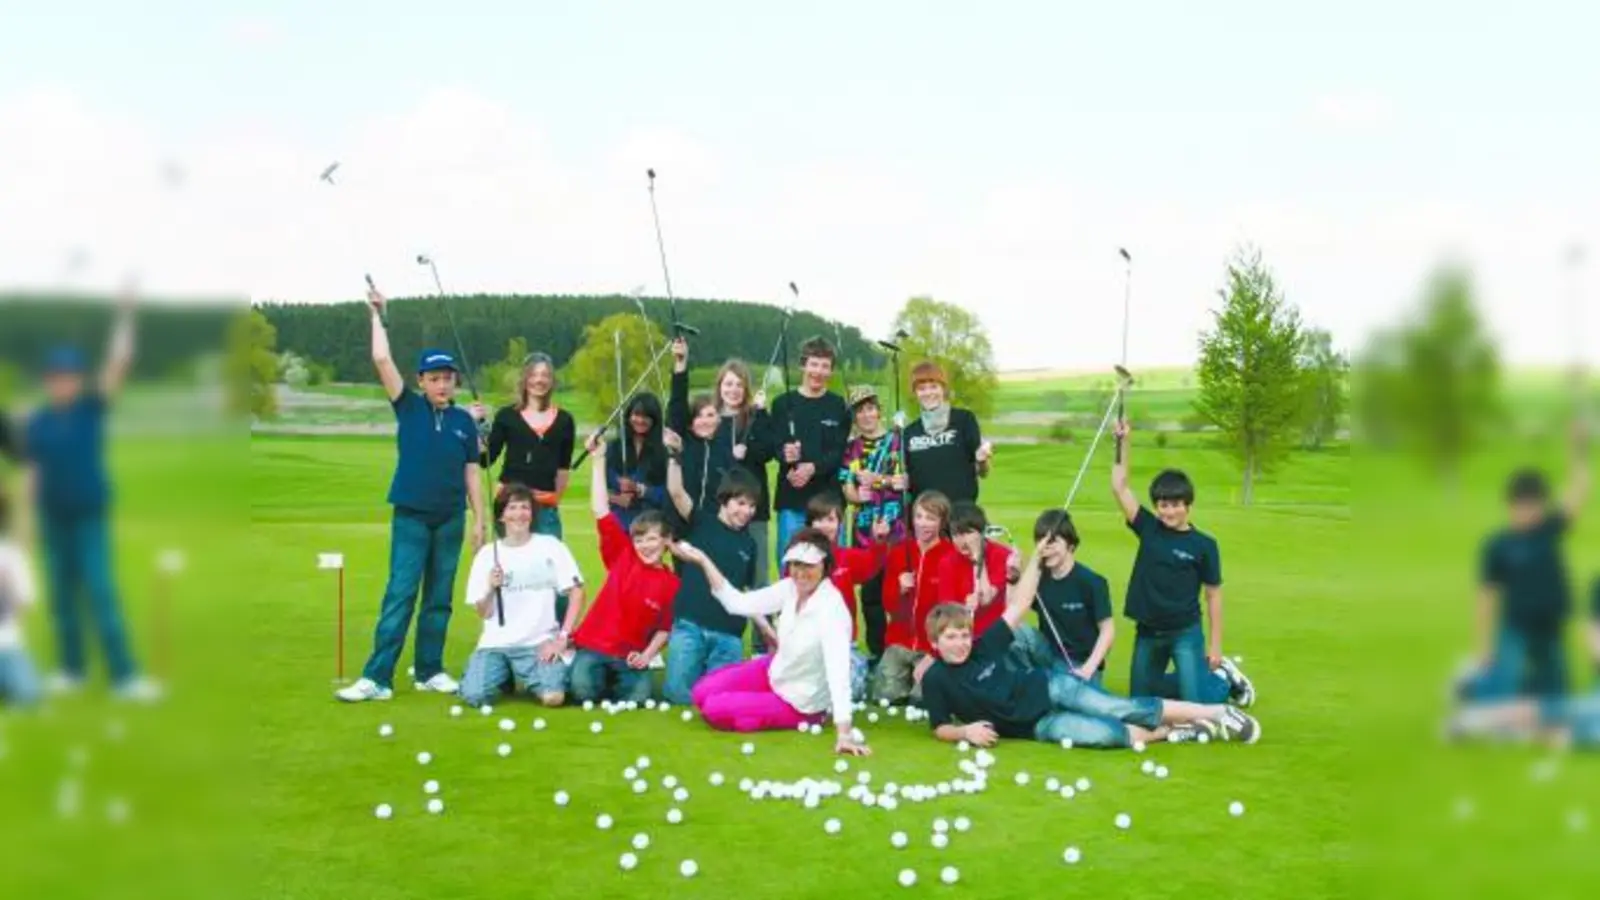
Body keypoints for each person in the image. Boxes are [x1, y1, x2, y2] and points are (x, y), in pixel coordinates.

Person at [920, 543, 1261, 749]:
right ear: (936, 643)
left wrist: (1036, 561)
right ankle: (1176, 730)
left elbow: (1020, 604)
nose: (962, 642)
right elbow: (939, 727)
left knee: (1119, 708)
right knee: (1106, 736)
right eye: (952, 637)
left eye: (964, 634)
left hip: (1051, 687)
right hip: (1034, 728)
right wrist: (965, 731)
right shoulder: (936, 679)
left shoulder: (983, 646)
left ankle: (1217, 713)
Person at [339, 286, 487, 702]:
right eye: (434, 378)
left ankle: (429, 671)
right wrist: (377, 316)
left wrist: (480, 519)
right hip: (411, 516)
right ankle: (377, 678)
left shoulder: (464, 421)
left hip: (450, 518)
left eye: (448, 378)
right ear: (421, 381)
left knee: (439, 599)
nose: (442, 384)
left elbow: (472, 472)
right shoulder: (408, 406)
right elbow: (381, 359)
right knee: (401, 595)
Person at [18, 291, 160, 700]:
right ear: (49, 381)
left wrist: (126, 316)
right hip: (53, 519)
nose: (63, 383)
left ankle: (126, 677)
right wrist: (26, 531)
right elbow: (32, 475)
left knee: (100, 592)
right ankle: (72, 670)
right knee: (62, 601)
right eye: (57, 377)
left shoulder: (90, 409)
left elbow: (118, 364)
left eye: (70, 377)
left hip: (89, 517)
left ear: (78, 381)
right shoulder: (38, 422)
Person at [1010, 509, 1249, 704]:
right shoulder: (1037, 579)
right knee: (1016, 635)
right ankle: (1020, 686)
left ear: (1070, 544)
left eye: (1052, 541)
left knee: (1183, 695)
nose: (1045, 547)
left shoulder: (1092, 582)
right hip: (1048, 655)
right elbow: (1012, 610)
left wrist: (1088, 669)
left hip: (1082, 664)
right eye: (1040, 542)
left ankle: (1218, 680)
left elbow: (1107, 631)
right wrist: (1019, 572)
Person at [673, 529, 871, 756]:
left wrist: (844, 732)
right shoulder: (789, 587)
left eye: (809, 565)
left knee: (714, 709)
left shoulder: (832, 610)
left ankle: (796, 715)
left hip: (799, 701)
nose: (800, 572)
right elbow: (737, 603)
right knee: (701, 692)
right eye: (795, 564)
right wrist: (703, 560)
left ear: (825, 566)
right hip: (775, 670)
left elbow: (838, 673)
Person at [1110, 418, 1251, 704]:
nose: (1169, 511)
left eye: (1175, 504)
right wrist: (1123, 441)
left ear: (1188, 506)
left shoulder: (1204, 546)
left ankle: (1223, 680)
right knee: (1141, 701)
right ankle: (1195, 676)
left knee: (1195, 701)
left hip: (1184, 632)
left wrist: (1215, 646)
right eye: (1163, 504)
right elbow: (1119, 487)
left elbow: (1213, 595)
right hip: (1148, 631)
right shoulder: (1148, 527)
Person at [1460, 423, 1590, 705]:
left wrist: (1577, 448)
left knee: (1556, 698)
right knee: (1501, 694)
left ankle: (1529, 695)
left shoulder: (1549, 530)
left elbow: (1579, 491)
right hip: (1517, 628)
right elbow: (1487, 597)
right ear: (1510, 506)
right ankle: (1469, 686)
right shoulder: (1498, 545)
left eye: (1535, 505)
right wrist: (1483, 647)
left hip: (1550, 628)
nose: (1529, 511)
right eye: (1523, 505)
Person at [568, 433, 679, 703]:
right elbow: (600, 510)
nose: (645, 546)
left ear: (666, 541)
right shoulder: (624, 555)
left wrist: (647, 656)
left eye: (652, 539)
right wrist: (598, 460)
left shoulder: (672, 582)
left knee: (638, 698)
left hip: (629, 654)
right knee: (582, 692)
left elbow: (665, 628)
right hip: (594, 646)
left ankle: (612, 679)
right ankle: (578, 666)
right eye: (639, 540)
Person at [457, 486, 586, 709]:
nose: (519, 514)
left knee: (553, 698)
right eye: (512, 507)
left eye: (525, 507)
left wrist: (562, 638)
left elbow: (577, 591)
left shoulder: (550, 546)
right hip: (495, 644)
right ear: (501, 515)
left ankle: (528, 673)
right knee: (474, 696)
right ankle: (501, 670)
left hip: (539, 643)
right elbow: (483, 612)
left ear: (532, 514)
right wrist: (490, 587)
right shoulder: (487, 554)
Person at [660, 437, 762, 706]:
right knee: (678, 696)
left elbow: (747, 593)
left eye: (751, 506)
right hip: (690, 627)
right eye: (740, 503)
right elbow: (676, 490)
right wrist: (674, 455)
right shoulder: (701, 521)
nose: (747, 512)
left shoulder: (749, 544)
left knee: (718, 699)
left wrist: (767, 630)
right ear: (724, 501)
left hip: (728, 636)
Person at [767, 337, 850, 575]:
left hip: (829, 504)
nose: (818, 372)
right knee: (790, 569)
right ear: (803, 365)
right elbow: (775, 446)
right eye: (814, 364)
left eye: (825, 366)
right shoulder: (782, 404)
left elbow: (839, 452)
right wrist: (785, 454)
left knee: (833, 570)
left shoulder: (839, 406)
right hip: (792, 502)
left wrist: (812, 468)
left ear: (831, 370)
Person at [872, 490, 961, 704]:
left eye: (931, 518)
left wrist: (935, 651)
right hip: (899, 642)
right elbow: (888, 605)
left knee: (922, 701)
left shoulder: (951, 555)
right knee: (886, 697)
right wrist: (899, 589)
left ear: (942, 522)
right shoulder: (899, 552)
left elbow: (950, 611)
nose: (923, 524)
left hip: (931, 648)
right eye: (919, 517)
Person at [839, 384, 907, 663]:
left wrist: (880, 481)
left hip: (897, 529)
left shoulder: (897, 441)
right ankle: (878, 655)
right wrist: (858, 494)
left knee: (900, 593)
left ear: (878, 411)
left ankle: (901, 650)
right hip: (866, 533)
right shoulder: (851, 449)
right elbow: (847, 486)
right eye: (860, 411)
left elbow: (905, 481)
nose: (866, 415)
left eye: (870, 408)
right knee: (871, 597)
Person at [804, 492, 890, 701]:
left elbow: (871, 564)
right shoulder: (799, 559)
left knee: (849, 690)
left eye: (831, 520)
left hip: (843, 645)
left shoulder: (846, 557)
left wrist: (878, 540)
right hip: (809, 644)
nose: (825, 526)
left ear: (840, 524)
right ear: (810, 524)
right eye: (819, 520)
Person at [483, 352, 576, 539]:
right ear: (524, 379)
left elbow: (563, 469)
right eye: (533, 375)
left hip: (545, 510)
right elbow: (485, 459)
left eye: (545, 375)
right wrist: (476, 426)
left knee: (549, 564)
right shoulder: (506, 416)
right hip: (510, 507)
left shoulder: (565, 421)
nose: (539, 380)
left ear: (552, 381)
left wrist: (551, 499)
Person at [900, 361, 992, 506]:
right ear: (915, 393)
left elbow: (983, 472)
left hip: (961, 514)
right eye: (921, 388)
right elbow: (906, 477)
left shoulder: (964, 420)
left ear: (943, 388)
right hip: (925, 519)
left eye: (934, 386)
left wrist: (982, 460)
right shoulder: (909, 432)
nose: (928, 393)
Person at [942, 502, 1021, 639]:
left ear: (982, 532)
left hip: (999, 633)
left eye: (968, 533)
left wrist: (978, 556)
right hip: (966, 635)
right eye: (956, 534)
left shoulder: (1002, 556)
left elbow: (985, 598)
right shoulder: (947, 562)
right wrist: (963, 608)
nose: (962, 541)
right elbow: (947, 609)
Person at [0, 490, 41, 707]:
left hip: (7, 648)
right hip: (9, 648)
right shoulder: (14, 556)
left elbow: (23, 602)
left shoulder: (13, 556)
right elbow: (24, 603)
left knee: (28, 695)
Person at [605, 392, 669, 530]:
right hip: (618, 524)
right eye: (636, 415)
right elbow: (600, 489)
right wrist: (617, 499)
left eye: (646, 416)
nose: (640, 420)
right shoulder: (614, 448)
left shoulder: (663, 451)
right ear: (629, 416)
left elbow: (668, 494)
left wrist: (640, 489)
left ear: (655, 420)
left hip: (650, 526)